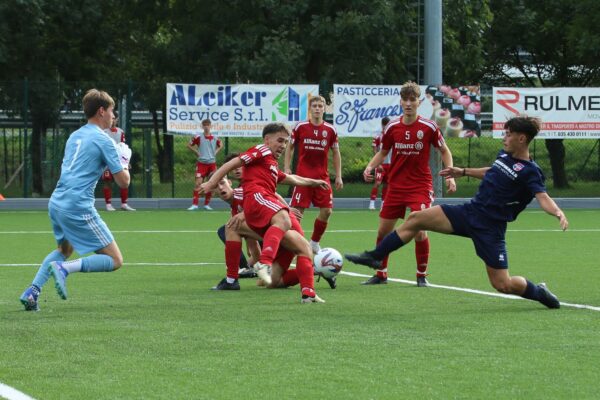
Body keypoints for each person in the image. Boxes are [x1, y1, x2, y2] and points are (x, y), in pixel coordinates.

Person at [346, 116, 567, 309]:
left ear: (521, 139)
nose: (504, 138)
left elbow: (543, 197)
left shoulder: (531, 172)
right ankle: (375, 257)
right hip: (469, 212)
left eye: (508, 135)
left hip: (490, 228)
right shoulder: (505, 156)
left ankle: (539, 292)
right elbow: (494, 171)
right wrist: (462, 171)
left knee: (503, 284)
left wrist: (557, 212)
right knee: (416, 219)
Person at [19, 89, 131, 311]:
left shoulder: (75, 135)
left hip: (57, 201)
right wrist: (124, 159)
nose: (114, 116)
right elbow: (123, 182)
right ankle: (65, 269)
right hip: (77, 205)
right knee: (115, 260)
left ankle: (32, 292)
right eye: (112, 111)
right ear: (101, 111)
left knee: (64, 249)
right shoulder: (104, 140)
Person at [200, 122, 330, 303]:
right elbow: (232, 163)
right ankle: (244, 273)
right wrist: (213, 182)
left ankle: (308, 290)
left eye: (286, 143)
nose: (284, 146)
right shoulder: (262, 150)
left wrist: (313, 182)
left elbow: (291, 178)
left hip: (274, 219)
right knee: (241, 224)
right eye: (280, 141)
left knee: (283, 271)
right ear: (267, 140)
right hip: (265, 209)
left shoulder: (270, 166)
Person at [361, 82, 456, 286]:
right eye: (405, 99)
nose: (408, 103)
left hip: (420, 187)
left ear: (419, 102)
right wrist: (369, 167)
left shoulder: (429, 127)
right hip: (395, 186)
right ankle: (381, 274)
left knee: (420, 230)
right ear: (401, 102)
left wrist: (450, 175)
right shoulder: (392, 127)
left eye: (413, 100)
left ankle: (421, 276)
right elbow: (383, 152)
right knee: (383, 232)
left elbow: (445, 151)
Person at [283, 95, 343, 254]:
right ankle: (293, 246)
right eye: (314, 106)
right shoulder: (300, 127)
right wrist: (287, 167)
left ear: (324, 108)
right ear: (310, 109)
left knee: (327, 211)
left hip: (322, 178)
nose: (317, 108)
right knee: (296, 213)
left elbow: (336, 153)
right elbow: (290, 147)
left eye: (320, 106)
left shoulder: (330, 130)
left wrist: (338, 175)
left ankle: (314, 243)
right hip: (302, 178)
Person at [102, 111, 135, 211]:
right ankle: (108, 204)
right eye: (111, 118)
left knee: (123, 179)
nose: (112, 120)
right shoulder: (104, 132)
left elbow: (123, 147)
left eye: (114, 119)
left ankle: (124, 204)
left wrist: (127, 161)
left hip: (119, 160)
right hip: (108, 159)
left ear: (117, 120)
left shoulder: (121, 132)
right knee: (107, 181)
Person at [187, 119, 222, 210]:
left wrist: (216, 152)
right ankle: (195, 204)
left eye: (208, 125)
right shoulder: (198, 137)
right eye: (204, 125)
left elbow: (220, 145)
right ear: (202, 126)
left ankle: (207, 204)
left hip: (212, 164)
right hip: (202, 163)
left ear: (210, 126)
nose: (206, 126)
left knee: (211, 184)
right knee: (198, 184)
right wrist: (196, 152)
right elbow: (189, 145)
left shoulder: (215, 137)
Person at [369, 117, 391, 210]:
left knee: (387, 184)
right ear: (382, 125)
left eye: (388, 124)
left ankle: (383, 203)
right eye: (385, 125)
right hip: (381, 164)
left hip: (390, 164)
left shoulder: (392, 135)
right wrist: (378, 164)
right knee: (377, 183)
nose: (386, 126)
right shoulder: (378, 136)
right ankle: (372, 203)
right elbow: (375, 150)